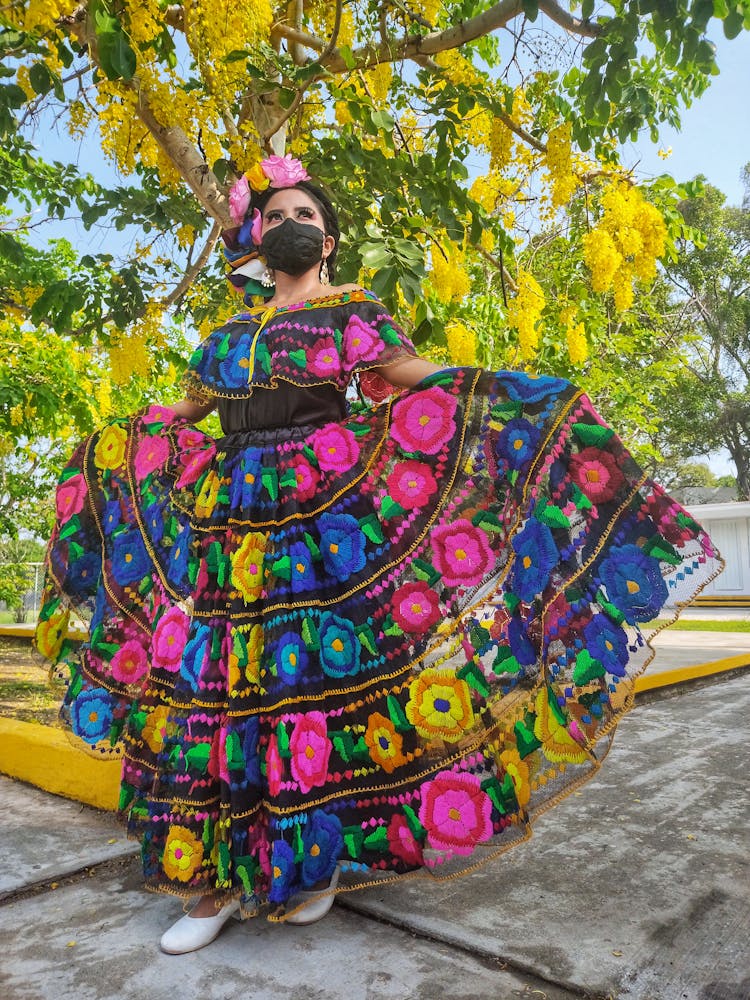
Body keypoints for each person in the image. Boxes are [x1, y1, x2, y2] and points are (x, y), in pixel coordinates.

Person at [36, 154, 720, 955]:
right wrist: (116, 443)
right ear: (256, 238)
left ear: (327, 241)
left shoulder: (353, 311)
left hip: (321, 517)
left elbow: (408, 375)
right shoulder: (225, 336)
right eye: (277, 216)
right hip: (233, 530)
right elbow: (184, 411)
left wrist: (511, 392)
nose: (290, 225)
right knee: (220, 685)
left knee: (312, 684)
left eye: (306, 218)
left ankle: (310, 867)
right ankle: (215, 880)